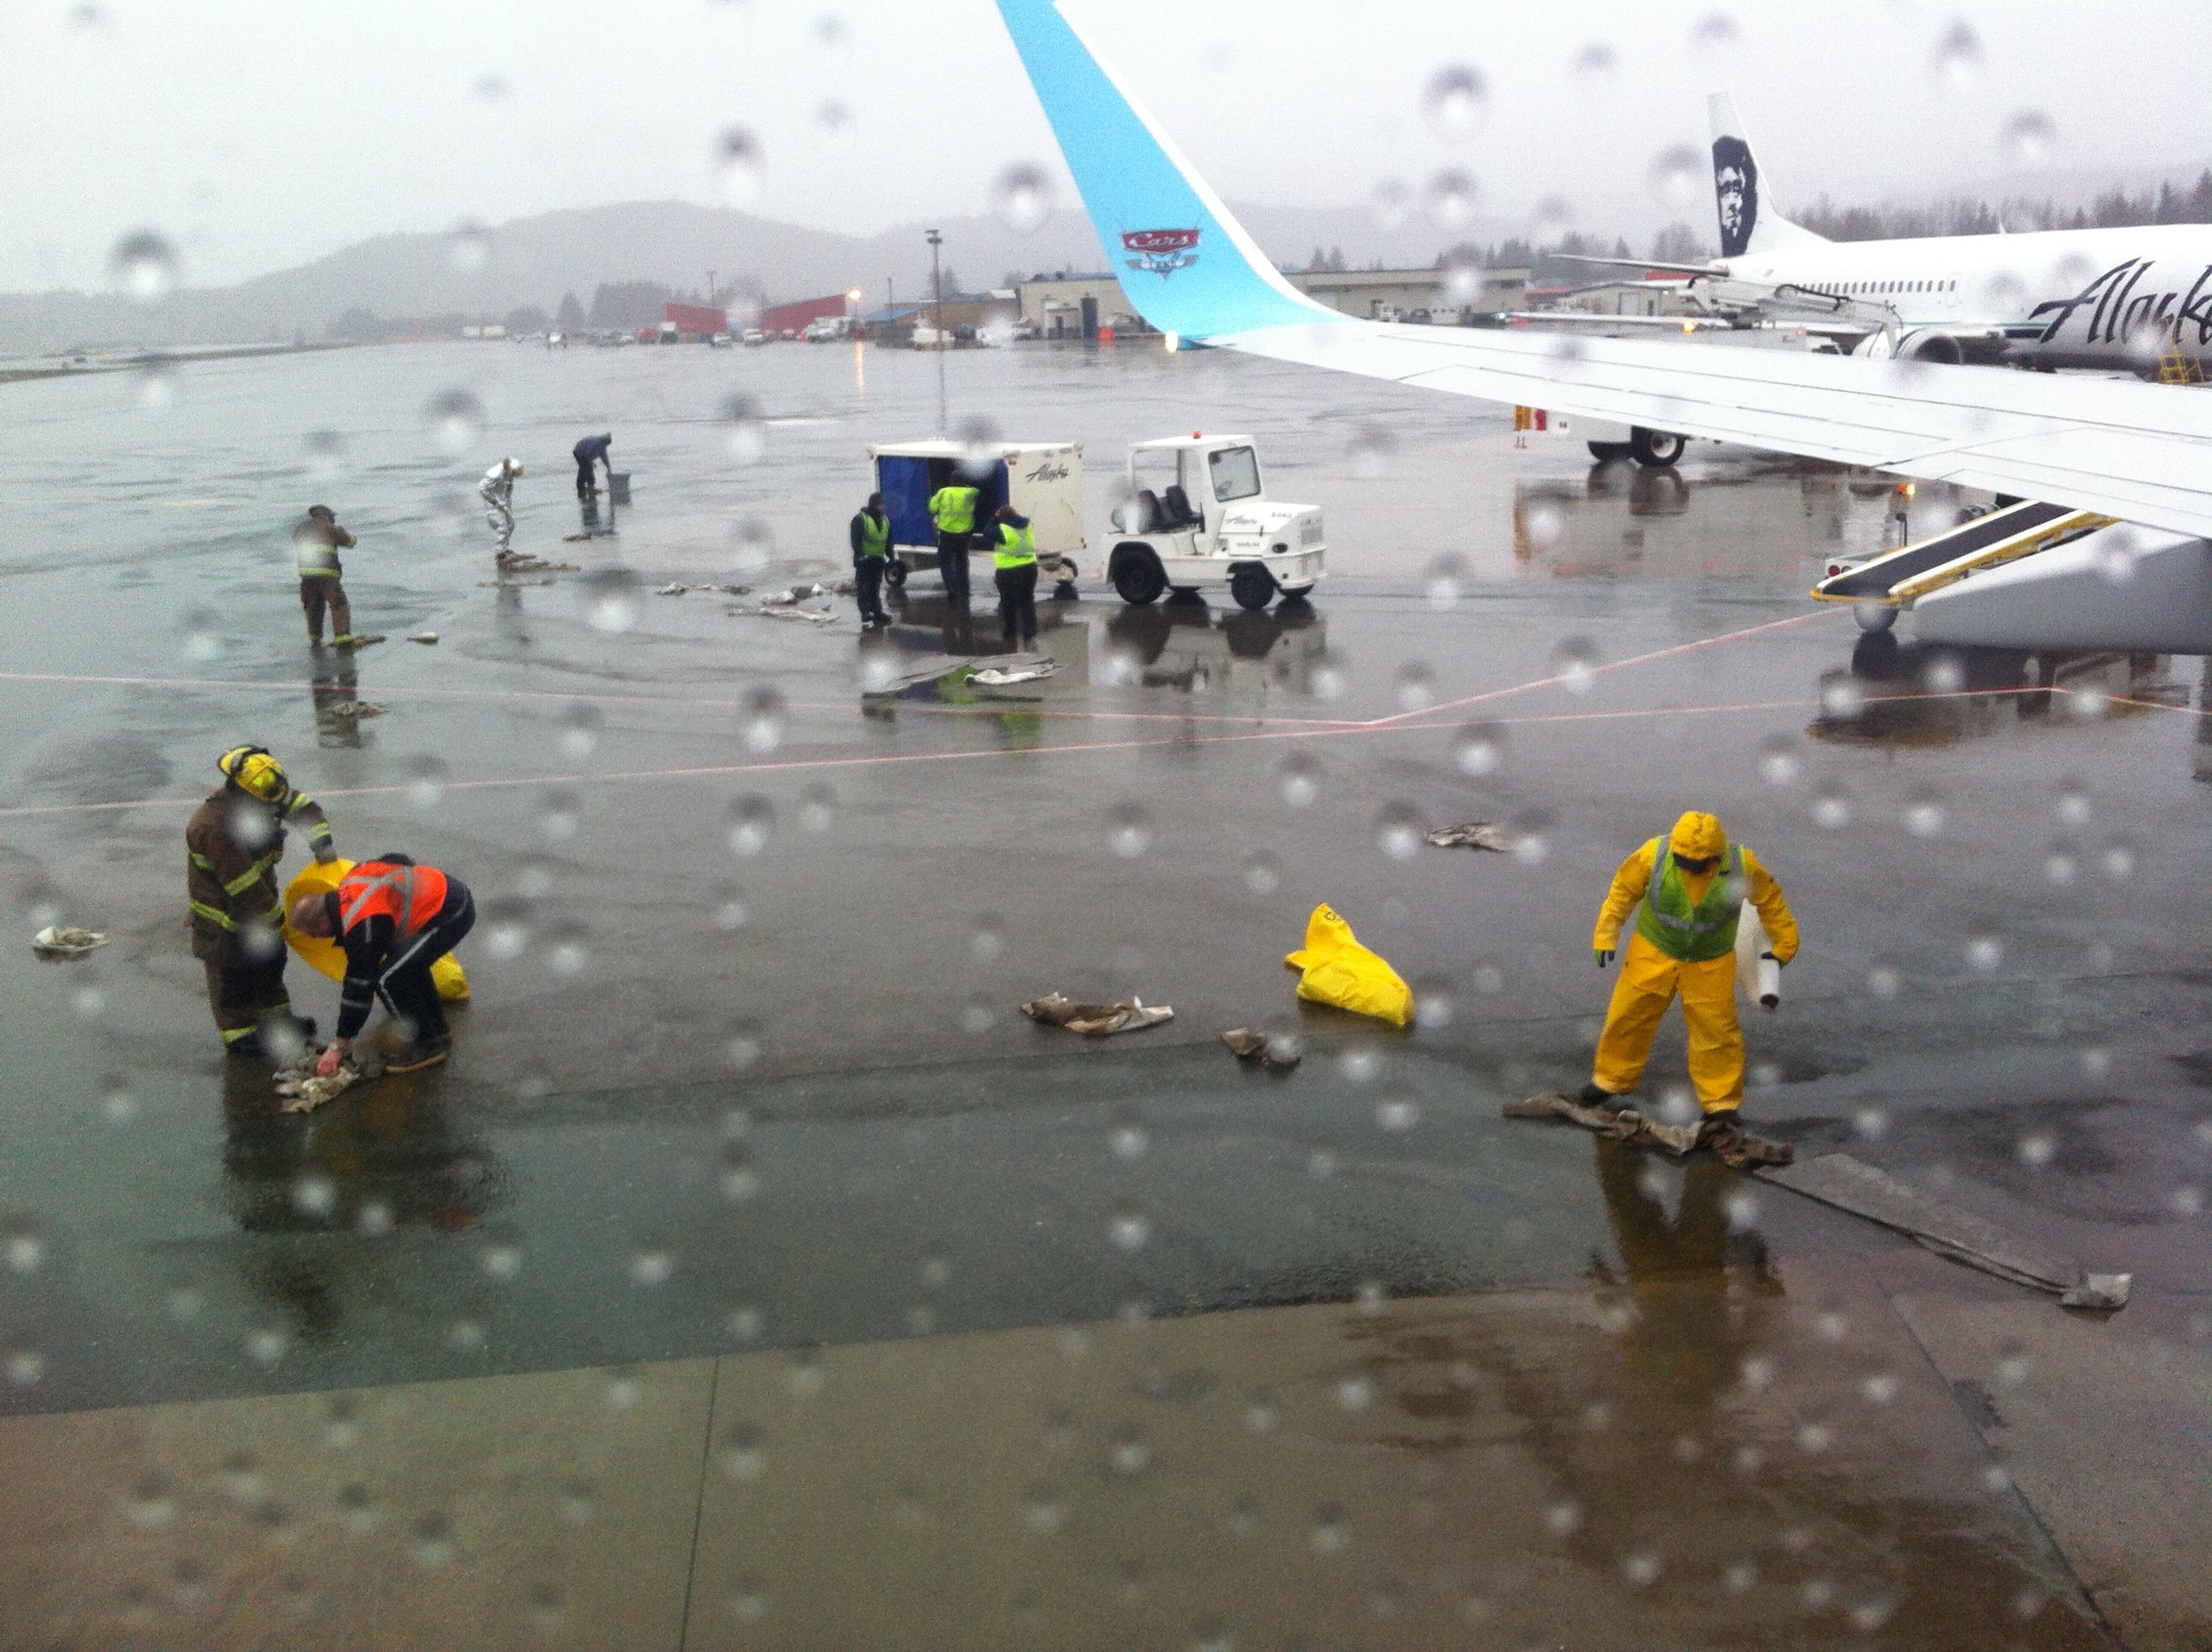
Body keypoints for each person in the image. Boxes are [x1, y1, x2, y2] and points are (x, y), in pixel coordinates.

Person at [1582, 810, 1798, 1139]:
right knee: (1627, 1016)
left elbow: (1770, 901)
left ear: (1716, 854)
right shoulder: (1652, 855)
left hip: (1709, 961)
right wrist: (1605, 935)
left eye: (1700, 862)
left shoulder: (1742, 864)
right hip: (1653, 951)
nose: (1692, 867)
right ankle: (1609, 1081)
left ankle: (1721, 1104)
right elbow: (1621, 893)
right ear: (1675, 850)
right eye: (1685, 860)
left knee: (1716, 1032)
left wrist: (1785, 945)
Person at [187, 747, 338, 1056]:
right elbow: (244, 885)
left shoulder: (265, 793)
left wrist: (322, 844)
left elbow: (302, 807)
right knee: (233, 972)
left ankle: (278, 1024)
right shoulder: (214, 828)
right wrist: (279, 920)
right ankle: (240, 1036)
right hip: (223, 915)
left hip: (259, 897)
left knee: (270, 961)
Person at [288, 853, 475, 1075]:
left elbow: (358, 986)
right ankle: (435, 1027)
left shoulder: (361, 922)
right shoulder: (349, 882)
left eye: (314, 933)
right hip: (446, 892)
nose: (318, 938)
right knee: (403, 966)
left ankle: (428, 1046)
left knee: (388, 979)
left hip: (451, 912)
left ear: (323, 920)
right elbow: (398, 859)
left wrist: (338, 1046)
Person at [293, 505, 358, 647]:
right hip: (327, 573)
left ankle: (314, 637)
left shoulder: (301, 528)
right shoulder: (327, 526)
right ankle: (343, 638)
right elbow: (350, 542)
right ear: (327, 515)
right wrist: (343, 533)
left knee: (313, 604)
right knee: (338, 603)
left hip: (306, 574)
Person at [988, 503, 1039, 651]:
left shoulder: (1002, 529)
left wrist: (994, 519)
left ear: (1002, 517)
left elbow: (987, 532)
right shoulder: (1027, 525)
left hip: (1008, 570)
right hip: (1029, 567)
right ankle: (1030, 631)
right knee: (1027, 600)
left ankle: (1010, 632)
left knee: (1008, 602)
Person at [927, 476, 978, 602]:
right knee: (962, 562)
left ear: (951, 480)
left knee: (945, 562)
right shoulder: (970, 493)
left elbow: (932, 509)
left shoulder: (943, 492)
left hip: (947, 533)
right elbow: (976, 491)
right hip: (965, 534)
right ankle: (964, 590)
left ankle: (952, 589)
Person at [849, 492, 894, 625]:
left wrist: (891, 556)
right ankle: (865, 612)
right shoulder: (860, 519)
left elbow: (888, 540)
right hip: (865, 560)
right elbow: (855, 540)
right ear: (872, 505)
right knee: (863, 587)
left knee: (875, 587)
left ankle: (877, 612)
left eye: (882, 505)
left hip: (878, 559)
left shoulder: (885, 520)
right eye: (878, 505)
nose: (881, 507)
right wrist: (859, 555)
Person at [479, 458, 524, 555]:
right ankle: (500, 553)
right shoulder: (495, 475)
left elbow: (507, 491)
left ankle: (504, 548)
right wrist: (494, 501)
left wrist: (507, 504)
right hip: (493, 506)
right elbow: (482, 488)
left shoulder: (508, 476)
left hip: (503, 504)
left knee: (510, 525)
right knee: (502, 527)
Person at [573, 433, 613, 498]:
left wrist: (608, 467)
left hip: (581, 452)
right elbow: (586, 454)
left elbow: (604, 457)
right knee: (588, 469)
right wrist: (591, 462)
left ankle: (580, 486)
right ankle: (591, 487)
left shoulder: (602, 446)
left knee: (583, 469)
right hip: (579, 452)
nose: (606, 445)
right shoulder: (596, 443)